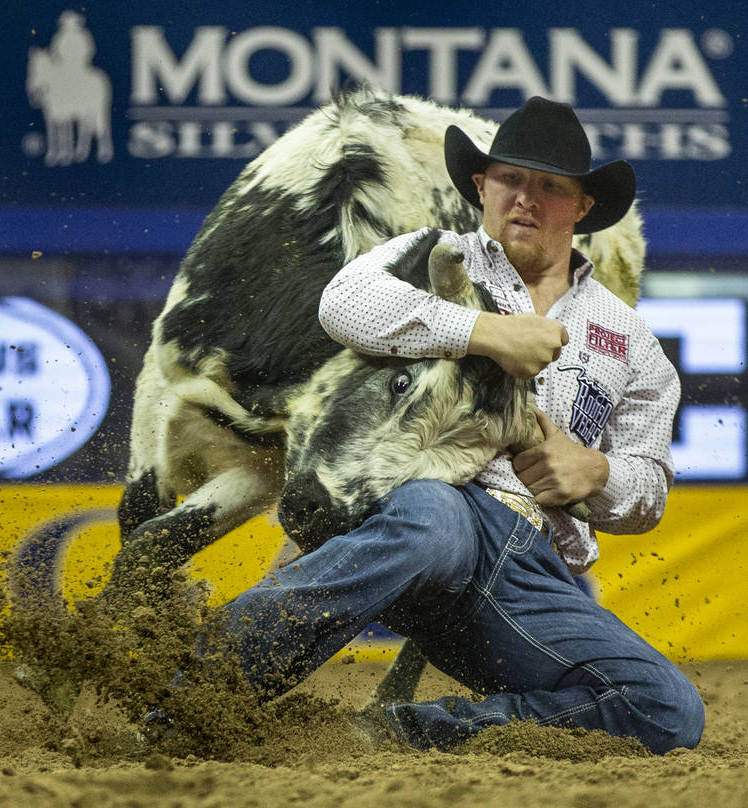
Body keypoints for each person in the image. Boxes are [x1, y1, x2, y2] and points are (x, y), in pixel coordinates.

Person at [202, 96, 704, 754]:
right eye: (511, 180)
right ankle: (192, 690)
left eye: (550, 186)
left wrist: (598, 472)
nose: (526, 198)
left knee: (669, 712)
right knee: (434, 521)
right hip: (430, 510)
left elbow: (650, 490)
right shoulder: (433, 254)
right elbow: (343, 303)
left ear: (583, 207)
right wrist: (484, 331)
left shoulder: (633, 341)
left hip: (532, 575)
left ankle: (391, 734)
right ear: (481, 186)